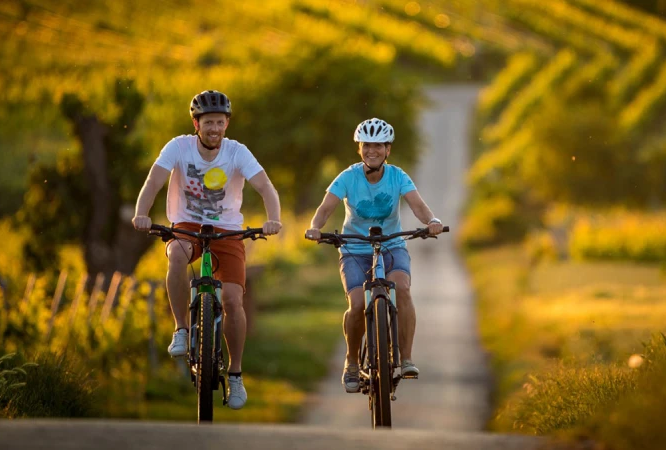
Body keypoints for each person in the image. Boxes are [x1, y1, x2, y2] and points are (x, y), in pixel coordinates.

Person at [132, 90, 282, 409]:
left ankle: (236, 375)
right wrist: (141, 213)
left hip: (228, 229)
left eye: (219, 122)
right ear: (196, 124)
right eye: (207, 122)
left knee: (231, 299)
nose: (214, 128)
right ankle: (182, 330)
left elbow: (266, 187)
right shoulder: (178, 147)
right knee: (175, 255)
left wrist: (274, 220)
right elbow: (153, 182)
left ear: (227, 123)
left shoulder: (237, 152)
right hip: (186, 225)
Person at [304, 118, 443, 393]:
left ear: (387, 149)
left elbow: (418, 205)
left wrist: (432, 221)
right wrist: (315, 228)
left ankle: (405, 358)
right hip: (355, 249)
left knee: (402, 289)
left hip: (391, 246)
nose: (372, 151)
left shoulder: (398, 176)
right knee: (356, 304)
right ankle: (352, 362)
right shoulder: (347, 177)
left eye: (378, 145)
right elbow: (325, 208)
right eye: (366, 145)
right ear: (359, 148)